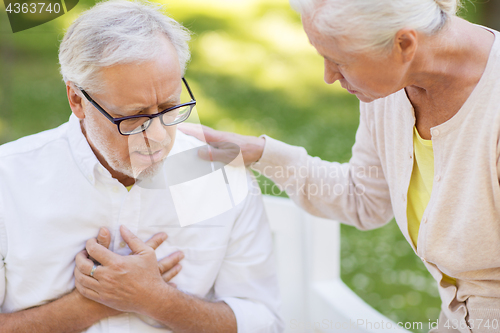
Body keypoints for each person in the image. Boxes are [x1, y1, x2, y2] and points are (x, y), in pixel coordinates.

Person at [179, 0, 500, 332]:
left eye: (339, 61)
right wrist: (260, 153)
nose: (328, 77)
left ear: (404, 44)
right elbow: (364, 199)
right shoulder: (391, 87)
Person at [0, 1, 283, 332]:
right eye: (133, 118)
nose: (158, 137)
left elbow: (264, 324)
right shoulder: (9, 179)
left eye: (169, 107)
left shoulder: (221, 176)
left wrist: (157, 300)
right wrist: (88, 306)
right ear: (77, 100)